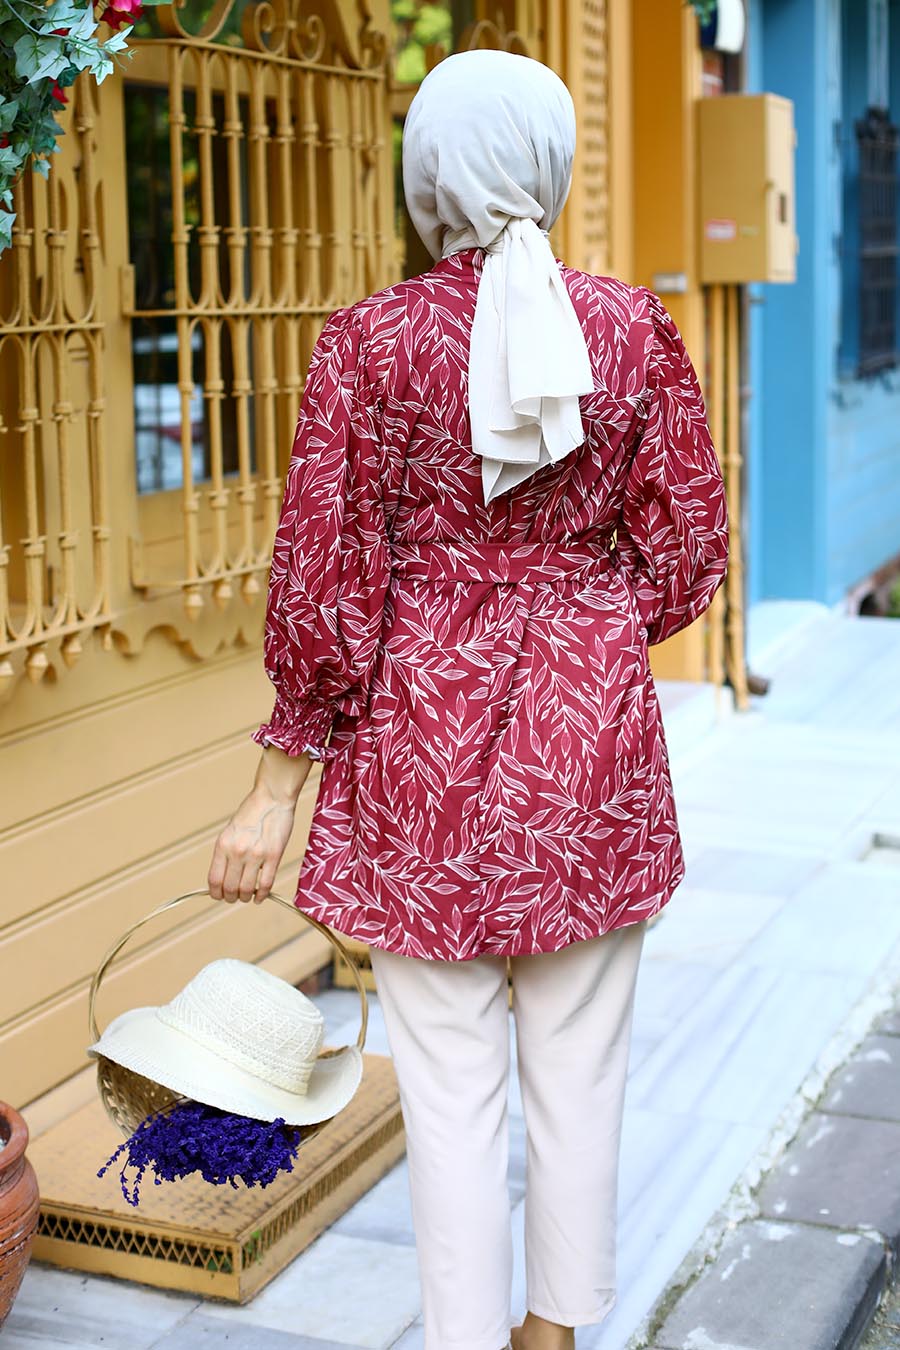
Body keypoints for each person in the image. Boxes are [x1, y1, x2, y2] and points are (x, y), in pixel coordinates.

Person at [208, 47, 729, 1350]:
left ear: (425, 168)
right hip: (590, 750)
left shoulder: (369, 345)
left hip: (419, 770)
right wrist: (586, 624)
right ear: (546, 164)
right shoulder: (629, 328)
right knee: (582, 1076)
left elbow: (326, 586)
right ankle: (555, 1334)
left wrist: (277, 783)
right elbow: (687, 556)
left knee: (447, 1093)